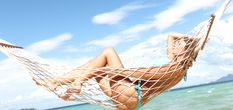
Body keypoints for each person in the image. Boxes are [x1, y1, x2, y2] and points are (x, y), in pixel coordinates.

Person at [46, 33, 198, 110]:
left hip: (130, 93)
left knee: (108, 52)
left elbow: (144, 74)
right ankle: (61, 84)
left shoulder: (175, 68)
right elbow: (171, 35)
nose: (175, 44)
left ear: (185, 51)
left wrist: (115, 71)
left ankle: (67, 83)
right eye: (177, 43)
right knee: (95, 66)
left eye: (180, 44)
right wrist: (194, 38)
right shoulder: (177, 65)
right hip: (130, 100)